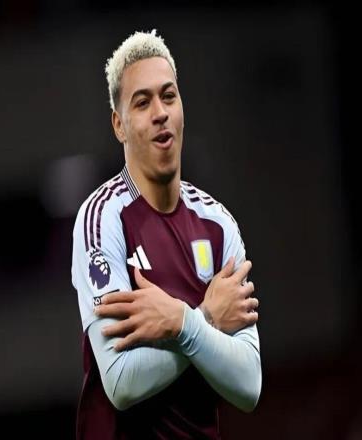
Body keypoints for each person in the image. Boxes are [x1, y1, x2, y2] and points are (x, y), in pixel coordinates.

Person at [71, 29, 262, 439]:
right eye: (142, 102)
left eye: (168, 96)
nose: (159, 112)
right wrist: (203, 319)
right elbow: (121, 382)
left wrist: (180, 323)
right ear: (119, 126)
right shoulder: (102, 218)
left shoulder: (218, 224)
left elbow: (249, 385)